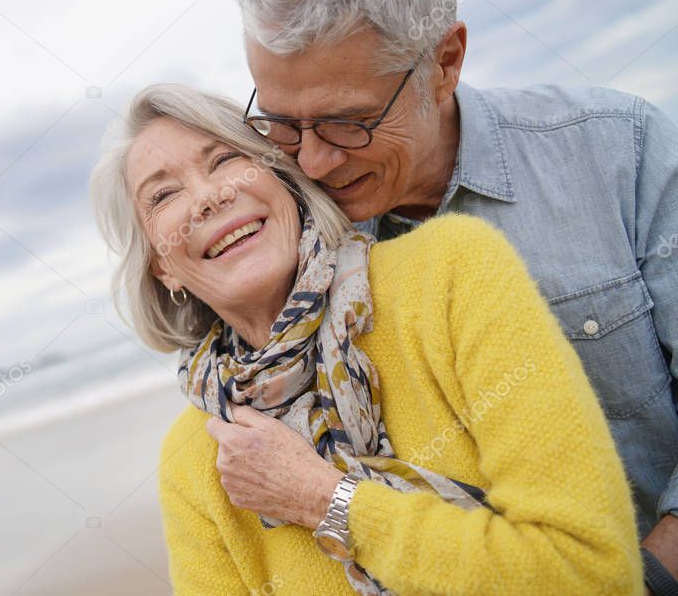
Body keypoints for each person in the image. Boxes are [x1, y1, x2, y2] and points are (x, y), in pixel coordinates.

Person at [223, 0, 678, 591]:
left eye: (350, 123)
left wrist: (645, 575)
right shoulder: (287, 243)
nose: (312, 162)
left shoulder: (620, 152)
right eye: (283, 124)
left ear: (444, 62)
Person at [89, 82, 641, 594]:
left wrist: (323, 500)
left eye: (225, 160)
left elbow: (590, 571)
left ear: (282, 178)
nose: (207, 198)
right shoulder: (193, 460)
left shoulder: (451, 272)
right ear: (163, 270)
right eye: (163, 197)